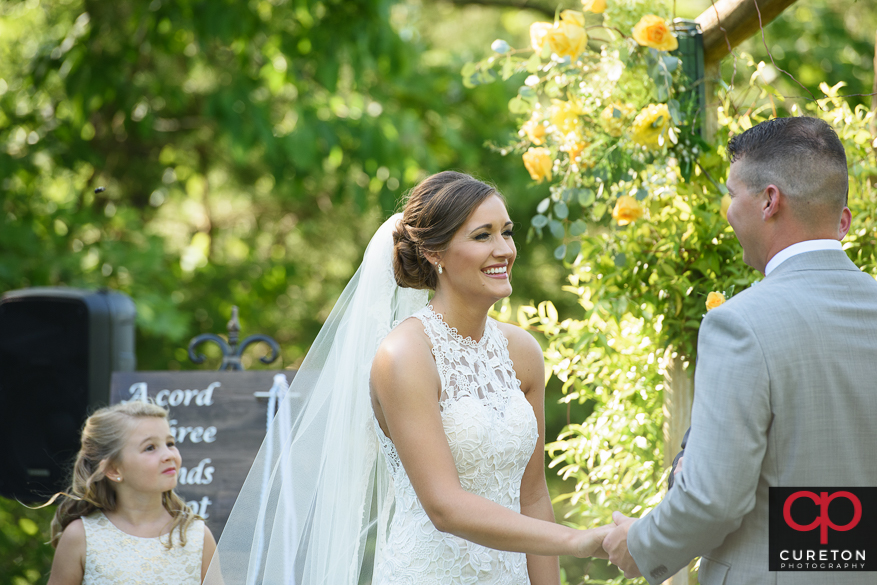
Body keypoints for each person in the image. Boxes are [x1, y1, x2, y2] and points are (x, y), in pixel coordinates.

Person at [204, 171, 610, 585]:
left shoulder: (522, 352)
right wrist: (575, 541)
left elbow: (534, 495)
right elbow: (445, 507)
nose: (504, 249)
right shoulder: (404, 355)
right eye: (482, 236)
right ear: (436, 252)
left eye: (506, 232)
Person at [603, 116, 877, 584]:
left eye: (733, 195)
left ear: (769, 200)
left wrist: (641, 544)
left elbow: (713, 499)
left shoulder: (740, 323)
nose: (729, 211)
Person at [46, 401, 217, 585]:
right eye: (150, 447)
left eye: (170, 443)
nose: (169, 455)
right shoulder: (80, 537)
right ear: (114, 470)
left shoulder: (197, 537)